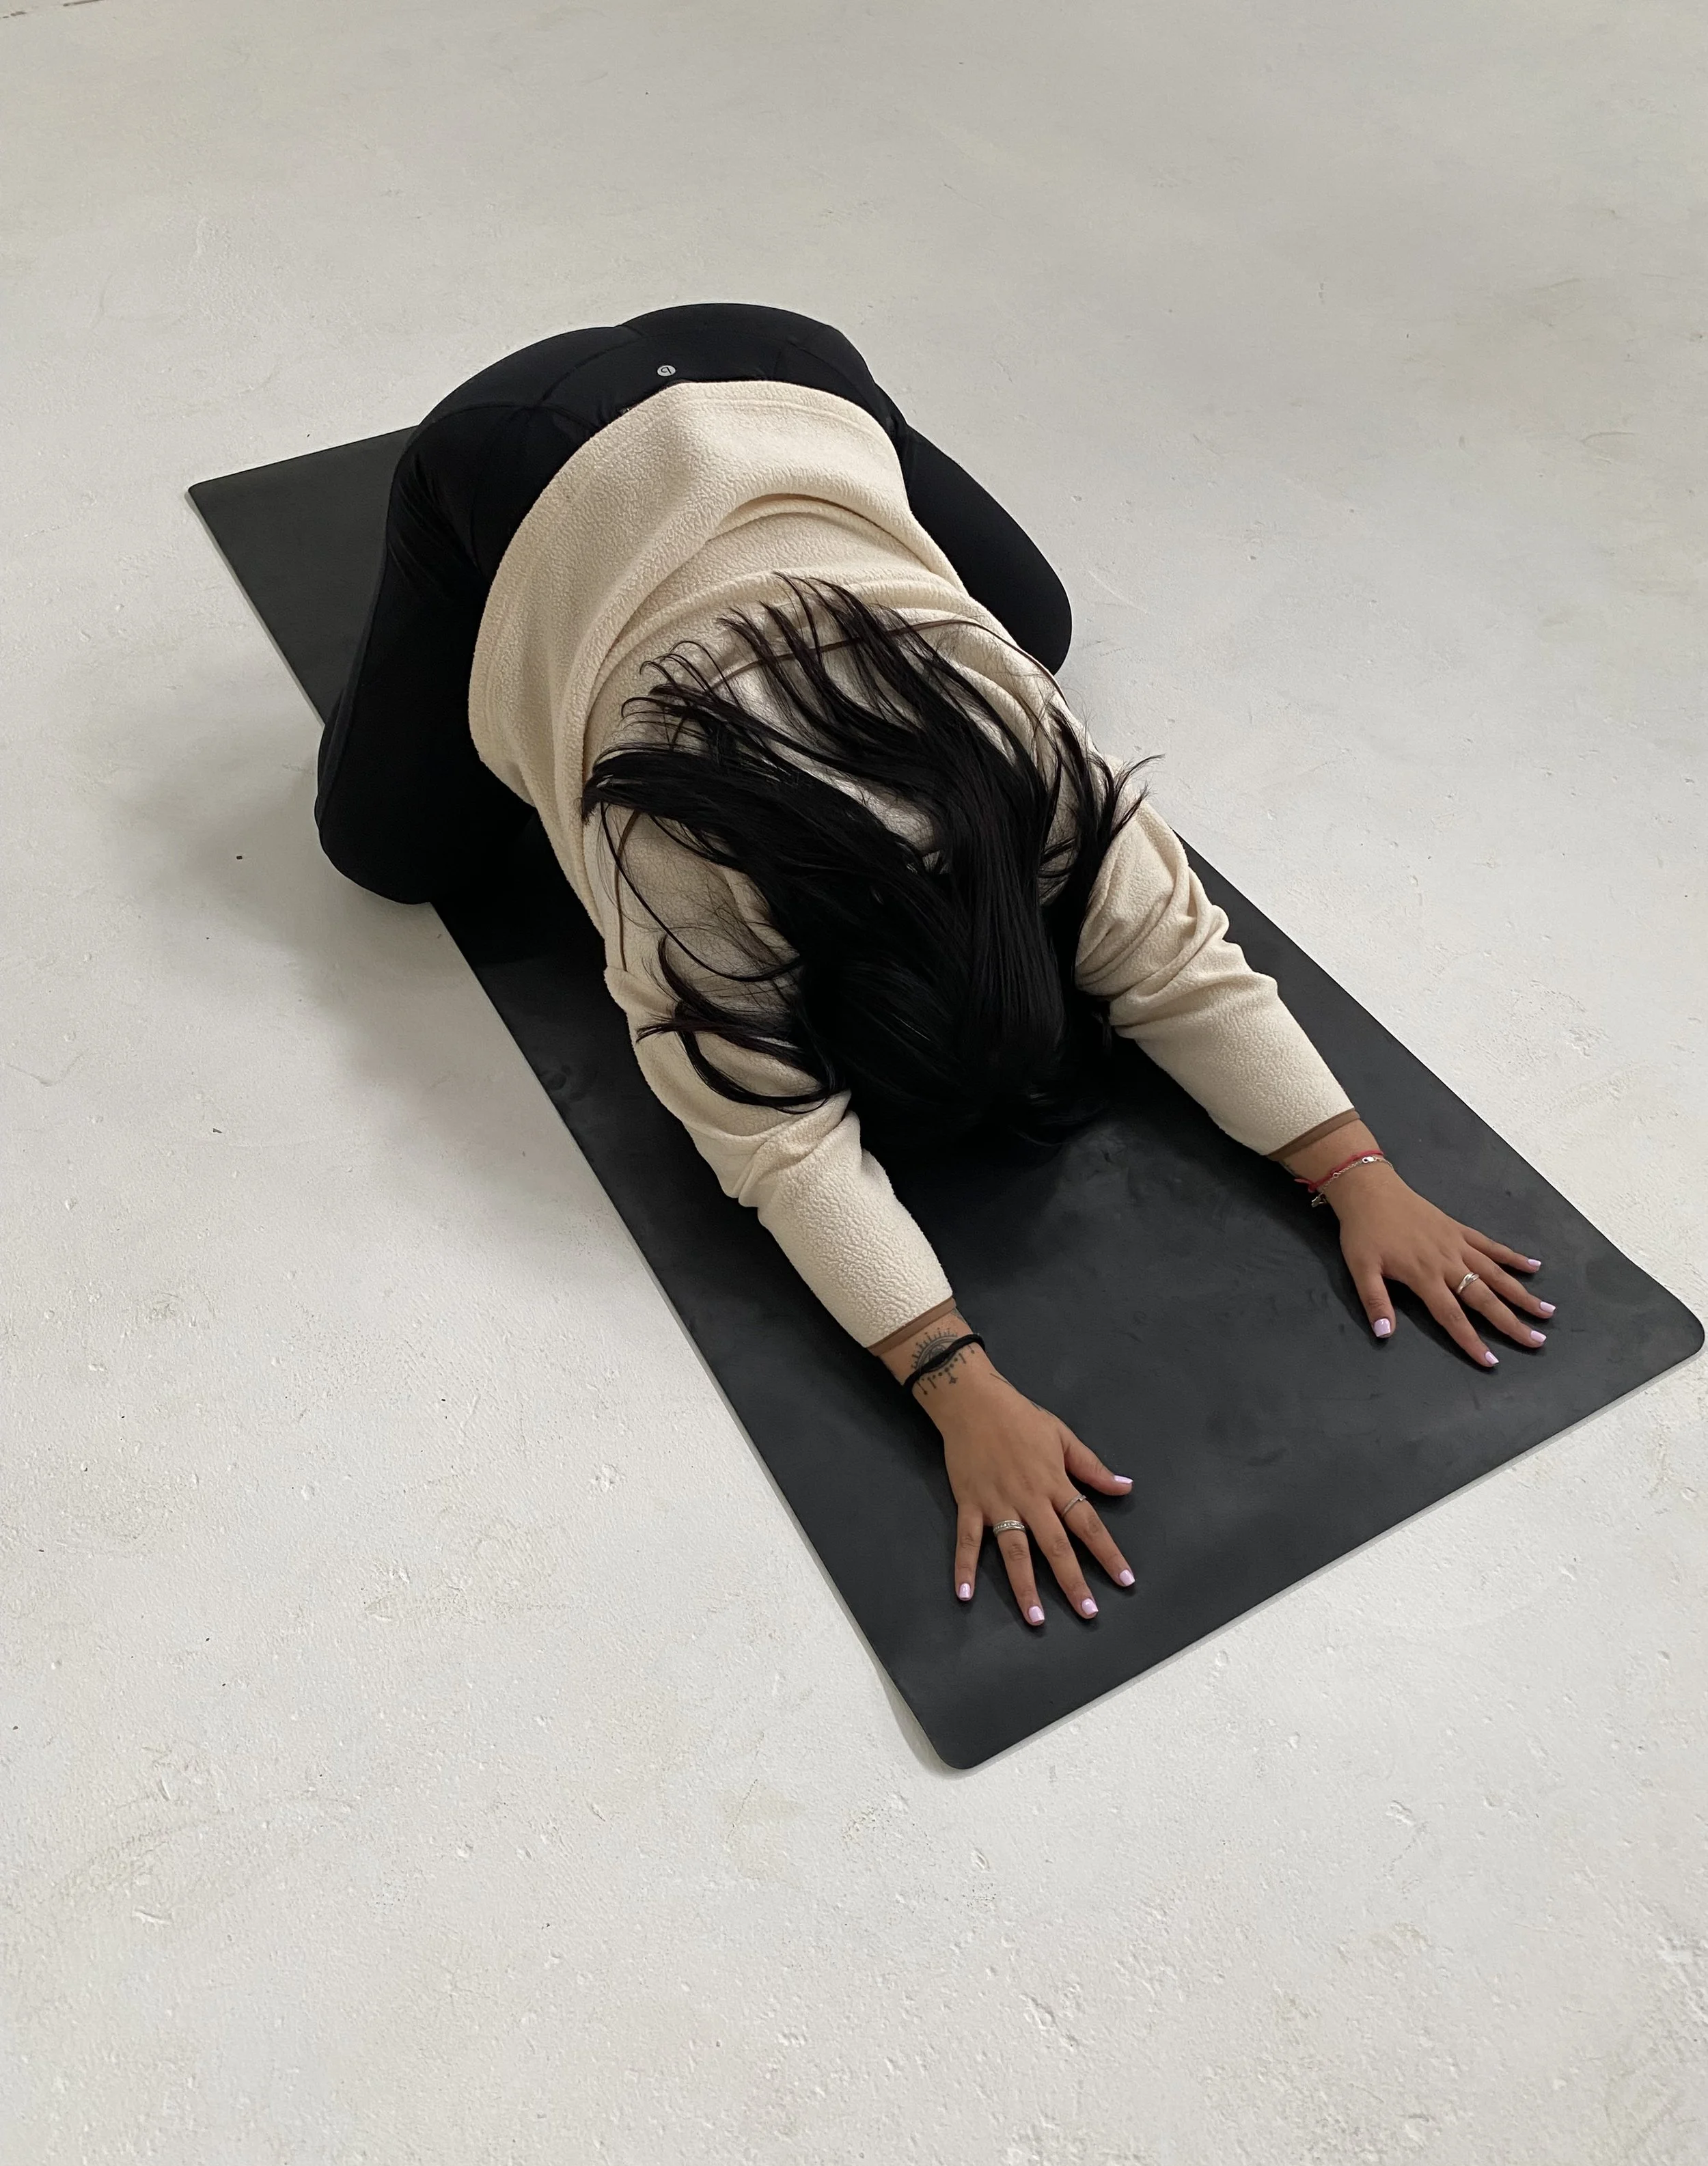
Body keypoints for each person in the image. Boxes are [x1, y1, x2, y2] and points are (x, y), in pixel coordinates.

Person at [316, 301, 1554, 1628]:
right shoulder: (680, 855)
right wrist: (955, 1384)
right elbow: (780, 1144)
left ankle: (814, 464)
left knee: (1039, 622)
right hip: (515, 456)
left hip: (788, 375)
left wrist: (1352, 1169)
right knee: (387, 853)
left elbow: (1174, 968)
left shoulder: (1025, 751)